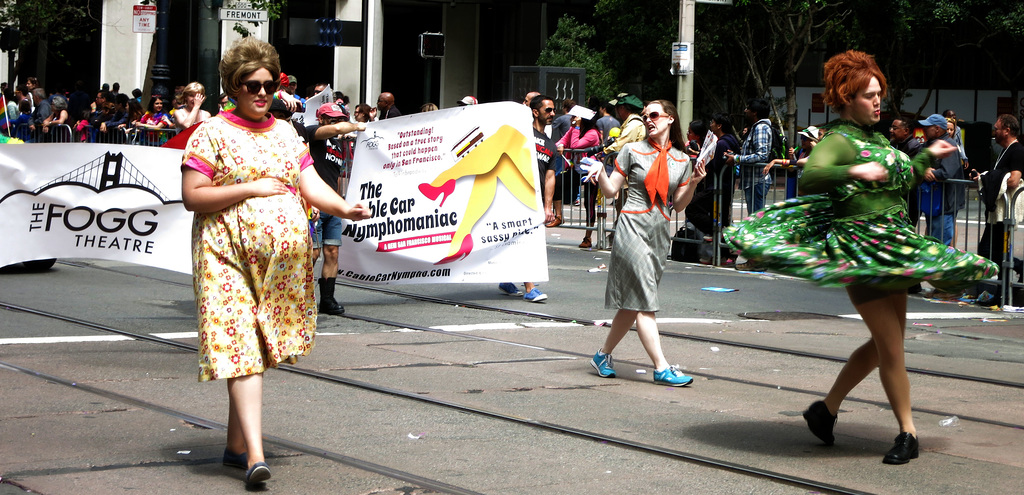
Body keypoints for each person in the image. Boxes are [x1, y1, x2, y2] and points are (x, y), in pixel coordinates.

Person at [726, 50, 997, 465]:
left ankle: (826, 410)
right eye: (869, 96)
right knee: (891, 348)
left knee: (887, 343)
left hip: (894, 249)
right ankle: (908, 431)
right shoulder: (837, 139)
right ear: (846, 97)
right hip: (861, 253)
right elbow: (812, 174)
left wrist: (927, 155)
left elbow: (900, 177)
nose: (877, 103)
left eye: (879, 95)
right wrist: (854, 172)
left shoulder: (877, 138)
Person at [180, 36, 371, 486]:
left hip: (280, 265)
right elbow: (193, 197)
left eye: (268, 84)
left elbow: (310, 184)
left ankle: (233, 445)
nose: (262, 92)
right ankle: (255, 456)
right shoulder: (211, 132)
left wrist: (343, 208)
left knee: (255, 347)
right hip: (222, 254)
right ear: (233, 86)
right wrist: (250, 188)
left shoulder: (287, 132)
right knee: (240, 347)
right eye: (252, 85)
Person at [588, 99, 705, 386]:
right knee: (645, 301)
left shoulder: (682, 159)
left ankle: (602, 355)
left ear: (669, 119)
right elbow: (613, 191)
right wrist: (601, 173)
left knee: (632, 303)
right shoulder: (632, 150)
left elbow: (677, 205)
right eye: (645, 116)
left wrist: (694, 182)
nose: (648, 120)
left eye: (653, 115)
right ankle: (661, 367)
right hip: (631, 226)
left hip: (658, 231)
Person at [305, 102, 366, 315]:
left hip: (332, 203)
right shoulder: (313, 133)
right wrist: (357, 125)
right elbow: (339, 129)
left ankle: (327, 299)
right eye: (332, 119)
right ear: (321, 119)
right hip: (313, 205)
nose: (337, 123)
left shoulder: (338, 145)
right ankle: (298, 298)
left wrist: (342, 202)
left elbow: (337, 174)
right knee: (310, 254)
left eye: (339, 118)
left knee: (332, 252)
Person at [972, 114, 1024, 282]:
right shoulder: (1005, 150)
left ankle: (1016, 271)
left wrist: (989, 179)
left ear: (1007, 130)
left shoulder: (1017, 151)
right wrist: (984, 178)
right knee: (990, 251)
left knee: (991, 251)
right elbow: (999, 177)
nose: (994, 131)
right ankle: (1002, 289)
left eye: (997, 128)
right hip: (997, 213)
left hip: (1005, 214)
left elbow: (1014, 180)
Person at [686, 112, 740, 265]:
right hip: (723, 186)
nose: (710, 124)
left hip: (717, 187)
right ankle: (722, 254)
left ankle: (716, 233)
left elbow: (716, 165)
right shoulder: (730, 140)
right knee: (721, 220)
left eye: (712, 122)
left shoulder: (722, 143)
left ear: (719, 125)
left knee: (692, 208)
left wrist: (702, 161)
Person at [557, 104, 602, 248]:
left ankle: (588, 237)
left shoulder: (592, 133)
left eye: (574, 117)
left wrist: (576, 128)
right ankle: (558, 216)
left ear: (581, 119)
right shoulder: (573, 129)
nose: (571, 119)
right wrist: (561, 145)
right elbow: (562, 141)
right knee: (557, 185)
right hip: (574, 169)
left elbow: (576, 145)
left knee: (588, 203)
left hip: (590, 172)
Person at [918, 113, 965, 246]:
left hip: (945, 204)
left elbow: (946, 172)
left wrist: (931, 173)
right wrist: (924, 170)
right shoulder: (928, 144)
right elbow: (917, 165)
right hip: (932, 202)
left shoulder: (949, 145)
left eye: (928, 127)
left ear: (937, 129)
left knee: (940, 244)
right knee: (933, 240)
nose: (924, 130)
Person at [725, 98, 773, 216]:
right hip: (753, 181)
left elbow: (761, 155)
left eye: (747, 108)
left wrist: (737, 158)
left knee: (756, 219)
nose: (745, 111)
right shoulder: (757, 127)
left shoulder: (761, 128)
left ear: (755, 112)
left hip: (757, 181)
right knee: (754, 217)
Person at [763, 125, 819, 199]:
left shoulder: (818, 154)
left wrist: (776, 161)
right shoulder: (801, 152)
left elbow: (798, 162)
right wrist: (791, 157)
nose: (802, 141)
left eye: (805, 138)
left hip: (812, 192)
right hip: (799, 191)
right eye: (801, 138)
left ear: (812, 141)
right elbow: (792, 169)